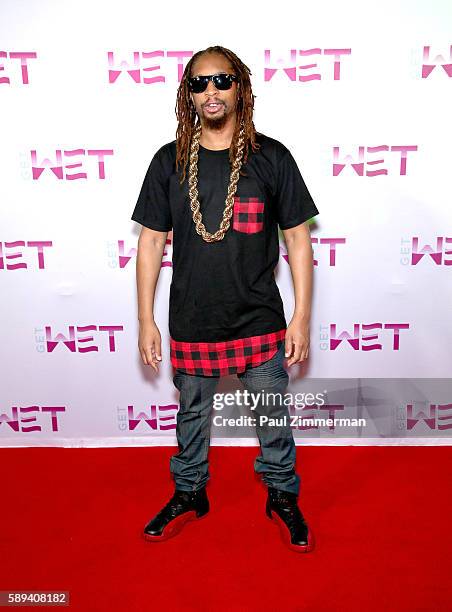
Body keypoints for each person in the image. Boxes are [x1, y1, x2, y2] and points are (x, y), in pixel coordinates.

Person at [131, 45, 319, 553]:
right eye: (198, 83)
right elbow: (150, 241)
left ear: (240, 87)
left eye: (221, 80)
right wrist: (145, 320)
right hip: (193, 317)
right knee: (191, 414)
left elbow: (298, 238)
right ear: (187, 94)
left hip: (259, 316)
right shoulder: (168, 161)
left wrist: (301, 317)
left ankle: (281, 493)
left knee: (272, 412)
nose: (210, 91)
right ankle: (190, 491)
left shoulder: (271, 157)